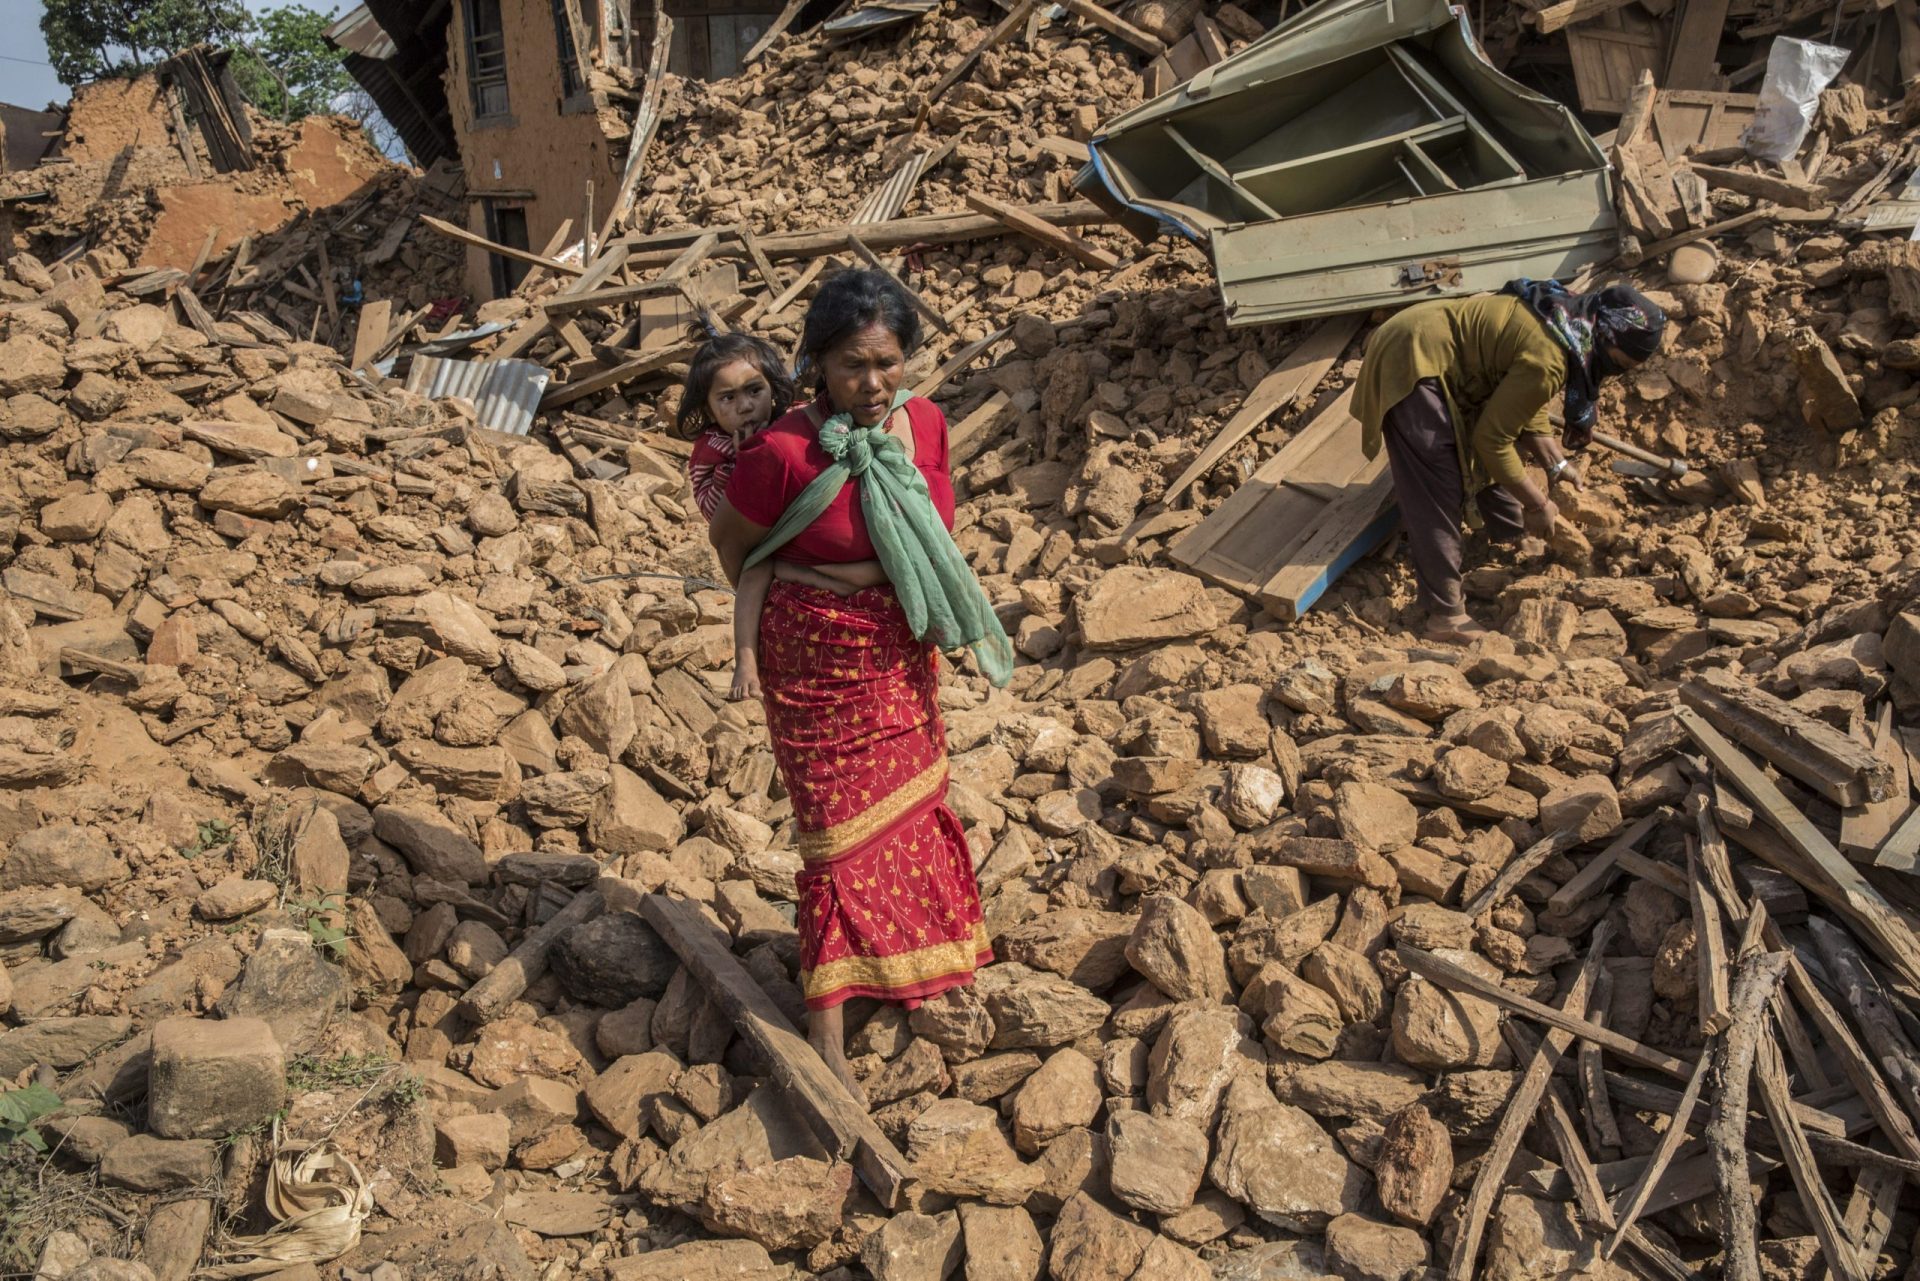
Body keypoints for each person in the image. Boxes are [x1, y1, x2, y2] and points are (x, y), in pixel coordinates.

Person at [705, 268, 1013, 1101]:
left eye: (886, 362)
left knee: (912, 802)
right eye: (849, 365)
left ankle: (918, 964)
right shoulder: (781, 452)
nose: (870, 383)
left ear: (907, 358)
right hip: (812, 655)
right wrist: (809, 597)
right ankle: (827, 1020)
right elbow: (737, 550)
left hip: (897, 644)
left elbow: (936, 530)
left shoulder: (927, 426)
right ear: (817, 364)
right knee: (835, 830)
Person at [1353, 279, 1666, 643]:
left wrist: (1556, 465)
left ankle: (1512, 538)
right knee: (1439, 486)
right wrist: (1537, 502)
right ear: (1607, 337)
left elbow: (1520, 403)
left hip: (1438, 350)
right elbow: (1493, 439)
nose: (1615, 373)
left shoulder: (1566, 322)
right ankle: (1446, 617)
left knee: (1483, 462)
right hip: (1413, 355)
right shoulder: (1550, 357)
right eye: (1618, 364)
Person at [681, 333, 798, 700]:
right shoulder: (711, 449)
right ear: (709, 407)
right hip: (756, 539)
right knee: (754, 576)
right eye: (727, 398)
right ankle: (746, 658)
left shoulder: (791, 423)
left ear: (774, 390)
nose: (744, 406)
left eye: (754, 391)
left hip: (799, 524)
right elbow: (714, 513)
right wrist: (743, 462)